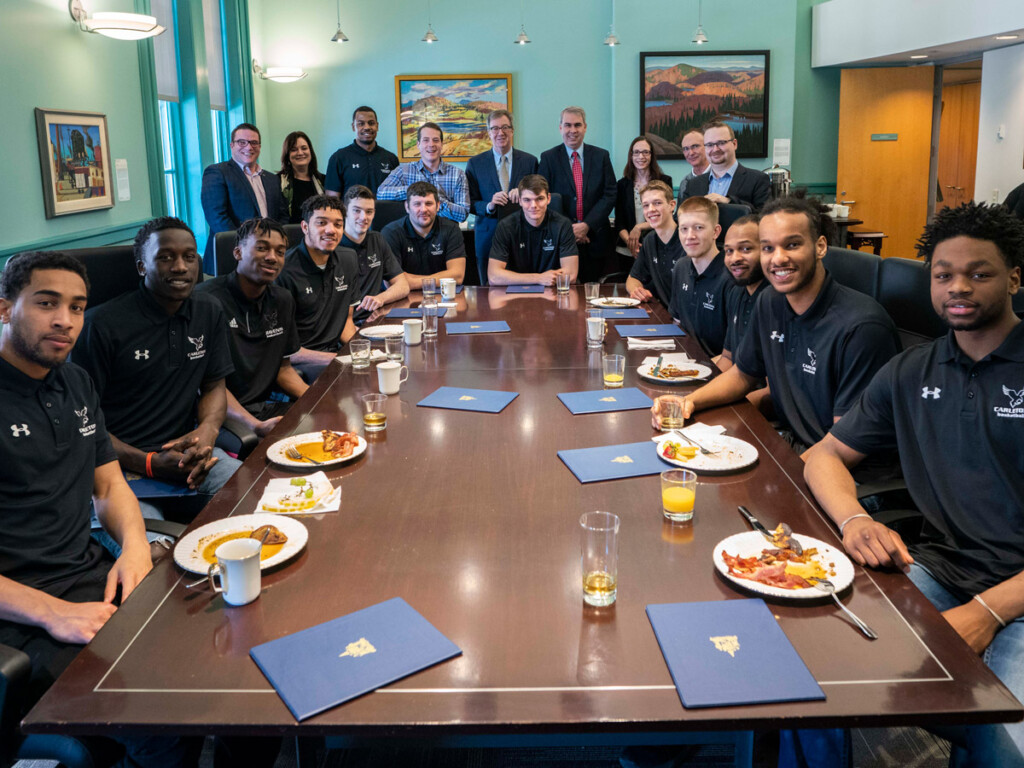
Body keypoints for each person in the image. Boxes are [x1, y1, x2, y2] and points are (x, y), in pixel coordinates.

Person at [803, 201, 1024, 768]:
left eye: (980, 273)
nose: (959, 288)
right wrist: (855, 519)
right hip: (941, 570)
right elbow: (823, 456)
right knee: (809, 670)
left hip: (1018, 597)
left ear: (1015, 279)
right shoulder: (911, 370)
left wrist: (989, 611)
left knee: (1005, 739)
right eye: (944, 274)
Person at [0, 251, 201, 767]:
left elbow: (109, 488)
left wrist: (134, 548)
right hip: (20, 615)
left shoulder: (75, 382)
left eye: (77, 307)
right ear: (5, 309)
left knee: (224, 653)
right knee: (158, 715)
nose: (65, 320)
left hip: (90, 574)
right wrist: (53, 613)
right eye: (47, 304)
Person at [652, 196, 900, 459]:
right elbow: (742, 375)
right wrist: (689, 402)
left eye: (792, 245)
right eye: (768, 248)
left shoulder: (862, 327)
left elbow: (841, 446)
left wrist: (783, 476)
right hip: (791, 444)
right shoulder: (770, 302)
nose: (778, 258)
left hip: (848, 474)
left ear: (820, 247)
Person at [73, 218, 240, 529]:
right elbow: (83, 423)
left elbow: (214, 384)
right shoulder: (102, 325)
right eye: (165, 257)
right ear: (141, 266)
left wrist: (206, 433)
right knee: (153, 554)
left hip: (189, 458)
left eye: (189, 257)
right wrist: (149, 463)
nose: (180, 267)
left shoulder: (209, 310)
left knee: (262, 500)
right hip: (120, 469)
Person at [195, 218, 308, 437]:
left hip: (266, 407)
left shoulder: (282, 299)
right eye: (262, 248)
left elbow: (283, 369)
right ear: (237, 253)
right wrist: (253, 424)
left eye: (280, 251)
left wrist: (317, 398)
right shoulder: (206, 302)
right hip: (220, 416)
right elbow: (208, 386)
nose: (272, 257)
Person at [275, 195, 361, 382]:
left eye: (338, 224)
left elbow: (346, 320)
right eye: (321, 223)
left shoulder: (349, 259)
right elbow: (280, 349)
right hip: (299, 363)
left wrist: (363, 350)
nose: (331, 230)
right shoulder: (283, 270)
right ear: (305, 227)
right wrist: (337, 359)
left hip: (335, 354)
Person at [537, 107, 616, 283]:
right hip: (560, 239)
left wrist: (587, 225)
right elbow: (543, 197)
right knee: (562, 294)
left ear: (585, 127)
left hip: (595, 238)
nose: (573, 130)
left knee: (593, 293)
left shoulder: (601, 156)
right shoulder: (548, 158)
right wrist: (569, 228)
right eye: (568, 125)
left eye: (577, 125)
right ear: (560, 128)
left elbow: (610, 193)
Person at [200, 122, 288, 273]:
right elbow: (217, 218)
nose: (248, 147)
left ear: (259, 146)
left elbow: (282, 215)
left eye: (254, 142)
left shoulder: (272, 178)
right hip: (231, 256)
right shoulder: (217, 172)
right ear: (232, 145)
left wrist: (273, 244)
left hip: (268, 257)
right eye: (242, 142)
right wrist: (247, 249)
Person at [465, 109, 538, 285]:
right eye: (495, 128)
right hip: (488, 237)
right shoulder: (475, 163)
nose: (500, 132)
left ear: (512, 130)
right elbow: (470, 202)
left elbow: (539, 196)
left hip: (523, 236)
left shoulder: (530, 161)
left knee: (525, 290)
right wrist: (489, 205)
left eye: (505, 127)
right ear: (488, 133)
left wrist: (522, 194)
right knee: (488, 293)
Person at [487, 174, 579, 286]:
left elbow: (571, 274)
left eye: (539, 199)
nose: (533, 205)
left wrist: (545, 279)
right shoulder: (505, 226)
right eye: (527, 200)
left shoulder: (563, 225)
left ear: (548, 199)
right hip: (515, 293)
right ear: (520, 201)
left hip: (552, 291)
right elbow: (494, 276)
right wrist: (539, 278)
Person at [667, 196, 731, 356]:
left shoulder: (731, 276)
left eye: (699, 228)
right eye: (684, 229)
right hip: (685, 360)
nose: (690, 236)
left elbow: (732, 357)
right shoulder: (680, 267)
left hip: (718, 369)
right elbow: (677, 323)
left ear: (716, 232)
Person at [341, 185, 410, 321]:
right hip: (345, 326)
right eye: (357, 211)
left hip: (374, 319)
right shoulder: (333, 245)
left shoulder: (377, 240)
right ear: (344, 211)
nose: (363, 217)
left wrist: (380, 298)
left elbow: (403, 285)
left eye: (369, 212)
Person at [381, 181, 466, 290]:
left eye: (428, 203)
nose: (424, 209)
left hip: (442, 297)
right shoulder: (391, 232)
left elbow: (457, 276)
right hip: (402, 298)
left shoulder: (451, 229)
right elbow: (392, 282)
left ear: (438, 205)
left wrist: (410, 280)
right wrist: (440, 278)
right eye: (417, 204)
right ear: (407, 207)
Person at [377, 123, 469, 222]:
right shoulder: (403, 170)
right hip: (411, 234)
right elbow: (381, 193)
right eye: (426, 140)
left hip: (445, 235)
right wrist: (413, 191)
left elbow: (463, 214)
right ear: (418, 145)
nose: (431, 144)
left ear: (442, 144)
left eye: (436, 140)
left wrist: (436, 200)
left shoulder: (457, 175)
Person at [680, 121, 770, 212]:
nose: (715, 149)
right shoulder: (693, 184)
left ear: (734, 144)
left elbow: (764, 217)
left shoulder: (757, 180)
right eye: (710, 145)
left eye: (721, 143)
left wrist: (729, 201)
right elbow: (680, 218)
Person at [718, 214, 770, 372]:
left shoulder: (776, 300)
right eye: (728, 251)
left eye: (746, 249)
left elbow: (771, 389)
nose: (735, 258)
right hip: (734, 387)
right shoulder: (736, 292)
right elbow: (728, 357)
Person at [625, 181, 682, 307]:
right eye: (646, 205)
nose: (651, 209)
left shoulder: (687, 239)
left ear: (672, 205)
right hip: (664, 314)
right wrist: (637, 291)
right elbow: (633, 278)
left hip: (687, 318)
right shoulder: (650, 240)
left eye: (657, 203)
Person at [615, 135, 673, 260]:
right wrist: (631, 242)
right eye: (636, 152)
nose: (641, 157)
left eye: (645, 152)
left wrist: (639, 227)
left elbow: (667, 216)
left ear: (652, 155)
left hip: (658, 245)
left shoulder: (664, 181)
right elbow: (619, 221)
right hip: (627, 249)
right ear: (631, 156)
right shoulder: (622, 185)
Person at [324, 106, 400, 200]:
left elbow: (398, 196)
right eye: (361, 124)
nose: (367, 127)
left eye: (371, 123)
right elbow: (332, 200)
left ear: (377, 126)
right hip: (351, 215)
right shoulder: (338, 158)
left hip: (385, 215)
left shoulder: (391, 159)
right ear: (353, 127)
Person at [278, 130, 325, 224]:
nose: (300, 153)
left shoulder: (324, 181)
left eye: (304, 148)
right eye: (294, 150)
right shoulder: (277, 182)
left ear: (310, 151)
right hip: (290, 235)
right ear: (287, 155)